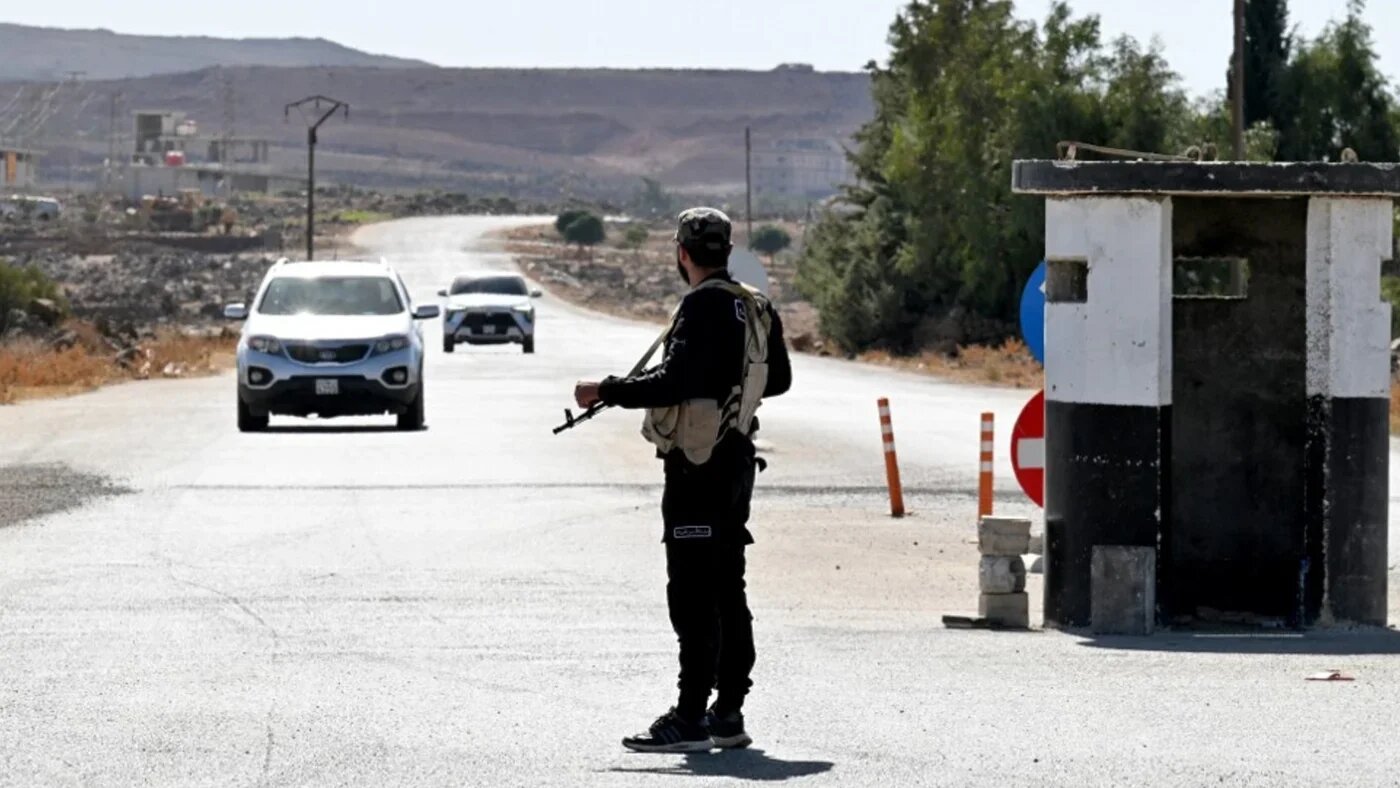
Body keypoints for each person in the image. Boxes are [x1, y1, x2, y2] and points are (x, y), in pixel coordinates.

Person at [574, 207, 792, 753]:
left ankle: (691, 716)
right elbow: (780, 379)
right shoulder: (756, 306)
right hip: (737, 461)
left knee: (693, 594)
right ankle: (729, 712)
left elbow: (676, 380)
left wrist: (606, 389)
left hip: (699, 469)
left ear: (682, 254)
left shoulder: (702, 308)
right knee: (727, 586)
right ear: (727, 251)